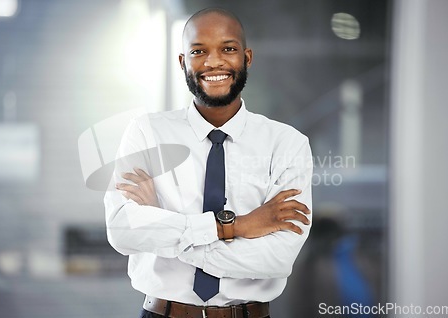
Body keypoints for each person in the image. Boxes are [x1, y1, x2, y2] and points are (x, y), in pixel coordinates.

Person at [104, 7, 313, 318]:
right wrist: (237, 227)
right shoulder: (147, 132)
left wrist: (164, 224)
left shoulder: (287, 143)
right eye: (199, 51)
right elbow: (123, 232)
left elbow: (276, 259)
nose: (214, 62)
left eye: (228, 49)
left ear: (247, 57)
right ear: (182, 62)